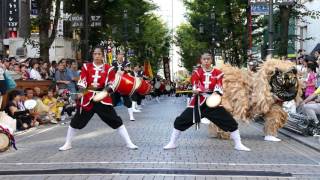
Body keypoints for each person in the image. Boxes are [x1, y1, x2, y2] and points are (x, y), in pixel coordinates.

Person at [163, 52, 251, 151]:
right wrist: (196, 89)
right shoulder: (197, 73)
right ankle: (172, 142)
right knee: (180, 120)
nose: (206, 61)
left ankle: (238, 144)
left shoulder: (217, 73)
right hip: (198, 103)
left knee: (230, 122)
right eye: (204, 59)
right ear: (201, 60)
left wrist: (215, 94)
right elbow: (195, 84)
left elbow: (219, 86)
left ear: (211, 60)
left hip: (213, 103)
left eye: (208, 59)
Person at [59, 46, 138, 151]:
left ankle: (129, 142)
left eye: (99, 54)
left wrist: (105, 91)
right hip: (88, 99)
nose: (97, 56)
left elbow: (112, 83)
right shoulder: (86, 67)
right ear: (93, 55)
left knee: (116, 120)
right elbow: (82, 80)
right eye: (95, 54)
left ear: (102, 55)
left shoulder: (109, 69)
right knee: (76, 121)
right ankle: (68, 143)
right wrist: (82, 91)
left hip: (102, 99)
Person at [111, 49, 139, 121]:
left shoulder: (127, 63)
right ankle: (112, 117)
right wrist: (117, 72)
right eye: (119, 54)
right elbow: (112, 72)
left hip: (123, 85)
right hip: (116, 84)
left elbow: (129, 72)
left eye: (122, 54)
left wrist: (123, 72)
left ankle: (131, 116)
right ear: (117, 55)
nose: (121, 56)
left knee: (128, 101)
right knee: (112, 101)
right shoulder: (113, 63)